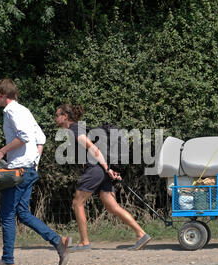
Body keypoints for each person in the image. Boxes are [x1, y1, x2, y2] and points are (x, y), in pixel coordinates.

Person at [0, 79, 71, 265]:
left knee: (7, 215)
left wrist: (1, 152)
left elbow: (23, 137)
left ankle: (7, 261)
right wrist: (34, 164)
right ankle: (59, 241)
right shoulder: (25, 110)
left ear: (3, 95)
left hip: (19, 170)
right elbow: (40, 138)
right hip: (28, 169)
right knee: (22, 213)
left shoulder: (11, 111)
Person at [54, 104, 151, 252]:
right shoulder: (77, 129)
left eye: (57, 115)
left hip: (95, 170)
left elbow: (94, 149)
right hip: (100, 170)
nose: (55, 118)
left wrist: (107, 168)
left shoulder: (75, 130)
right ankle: (141, 234)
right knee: (112, 206)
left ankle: (84, 242)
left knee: (77, 203)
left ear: (65, 117)